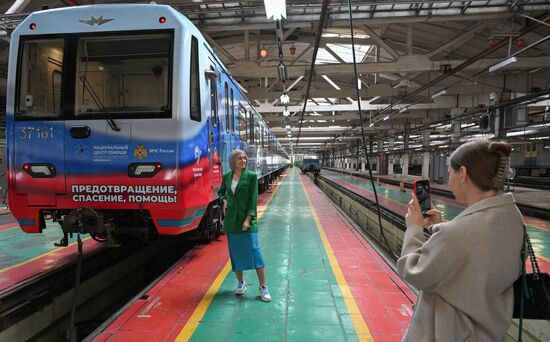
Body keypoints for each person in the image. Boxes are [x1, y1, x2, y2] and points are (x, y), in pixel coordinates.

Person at [398, 139, 523, 341]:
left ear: (463, 173)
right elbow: (477, 245)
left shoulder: (457, 235)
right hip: (489, 332)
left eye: (449, 172)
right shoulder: (512, 219)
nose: (449, 180)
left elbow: (414, 271)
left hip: (451, 333)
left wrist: (414, 229)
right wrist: (440, 226)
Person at [218, 149, 271, 302]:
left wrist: (248, 219)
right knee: (235, 253)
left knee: (255, 251)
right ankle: (241, 283)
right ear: (233, 161)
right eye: (240, 158)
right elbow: (221, 192)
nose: (243, 160)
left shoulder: (252, 177)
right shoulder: (227, 177)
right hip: (232, 221)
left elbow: (252, 200)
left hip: (247, 221)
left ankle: (263, 286)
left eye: (245, 158)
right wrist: (224, 200)